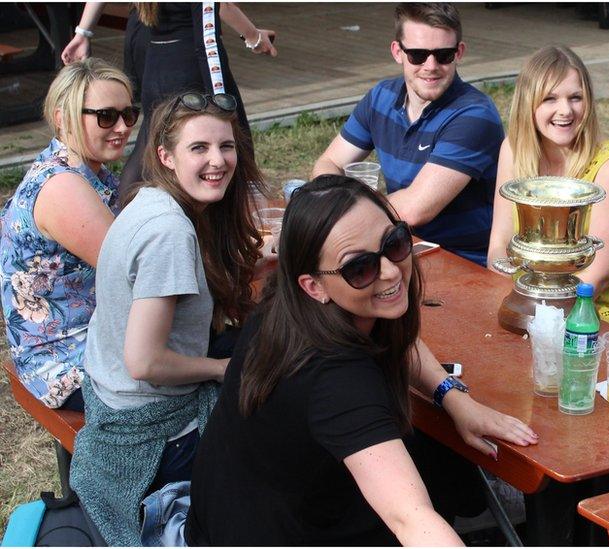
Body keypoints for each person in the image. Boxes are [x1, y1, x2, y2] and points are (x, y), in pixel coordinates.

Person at [168, 175, 540, 546]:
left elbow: (399, 338)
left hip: (228, 521)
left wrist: (452, 395)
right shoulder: (336, 378)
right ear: (313, 284)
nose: (391, 272)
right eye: (359, 269)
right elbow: (410, 517)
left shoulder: (288, 307)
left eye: (395, 244)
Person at [69, 91, 266, 546]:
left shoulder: (151, 201)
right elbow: (146, 363)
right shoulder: (170, 233)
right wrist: (222, 370)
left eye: (226, 146)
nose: (217, 160)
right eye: (199, 148)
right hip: (154, 433)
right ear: (166, 156)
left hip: (111, 394)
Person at [312, 3, 504, 267]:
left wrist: (343, 210)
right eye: (417, 55)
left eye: (444, 54)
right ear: (397, 52)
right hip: (400, 248)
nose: (431, 66)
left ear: (459, 52)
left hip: (462, 263)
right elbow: (329, 163)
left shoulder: (474, 115)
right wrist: (333, 203)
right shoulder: (381, 97)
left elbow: (414, 210)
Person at [0, 58, 136, 410]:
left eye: (129, 114)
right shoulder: (63, 186)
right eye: (106, 116)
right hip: (68, 362)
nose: (122, 127)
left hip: (93, 338)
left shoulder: (84, 169)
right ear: (63, 118)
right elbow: (134, 271)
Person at [487, 46, 609, 330]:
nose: (565, 110)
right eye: (550, 99)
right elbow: (499, 245)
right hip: (524, 302)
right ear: (528, 104)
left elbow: (599, 276)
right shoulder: (513, 149)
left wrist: (539, 322)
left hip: (594, 315)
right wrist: (510, 310)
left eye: (576, 98)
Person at [62, 2, 277, 196]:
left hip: (155, 67)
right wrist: (222, 102)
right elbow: (208, 43)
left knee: (149, 147)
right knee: (226, 153)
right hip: (190, 71)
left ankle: (122, 213)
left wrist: (83, 32)